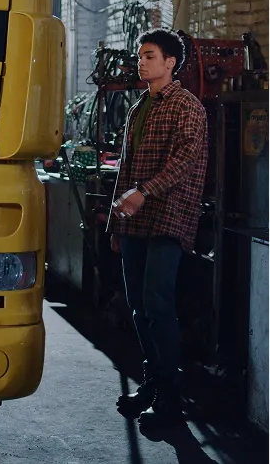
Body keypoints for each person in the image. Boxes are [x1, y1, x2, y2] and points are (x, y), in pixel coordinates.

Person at [107, 29, 207, 428]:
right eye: (140, 56)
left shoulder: (187, 106)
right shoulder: (138, 109)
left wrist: (144, 193)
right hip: (135, 222)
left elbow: (184, 160)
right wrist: (117, 223)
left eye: (149, 56)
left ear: (170, 63)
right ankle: (152, 383)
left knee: (158, 303)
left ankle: (170, 393)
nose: (141, 61)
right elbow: (125, 169)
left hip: (169, 217)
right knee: (137, 306)